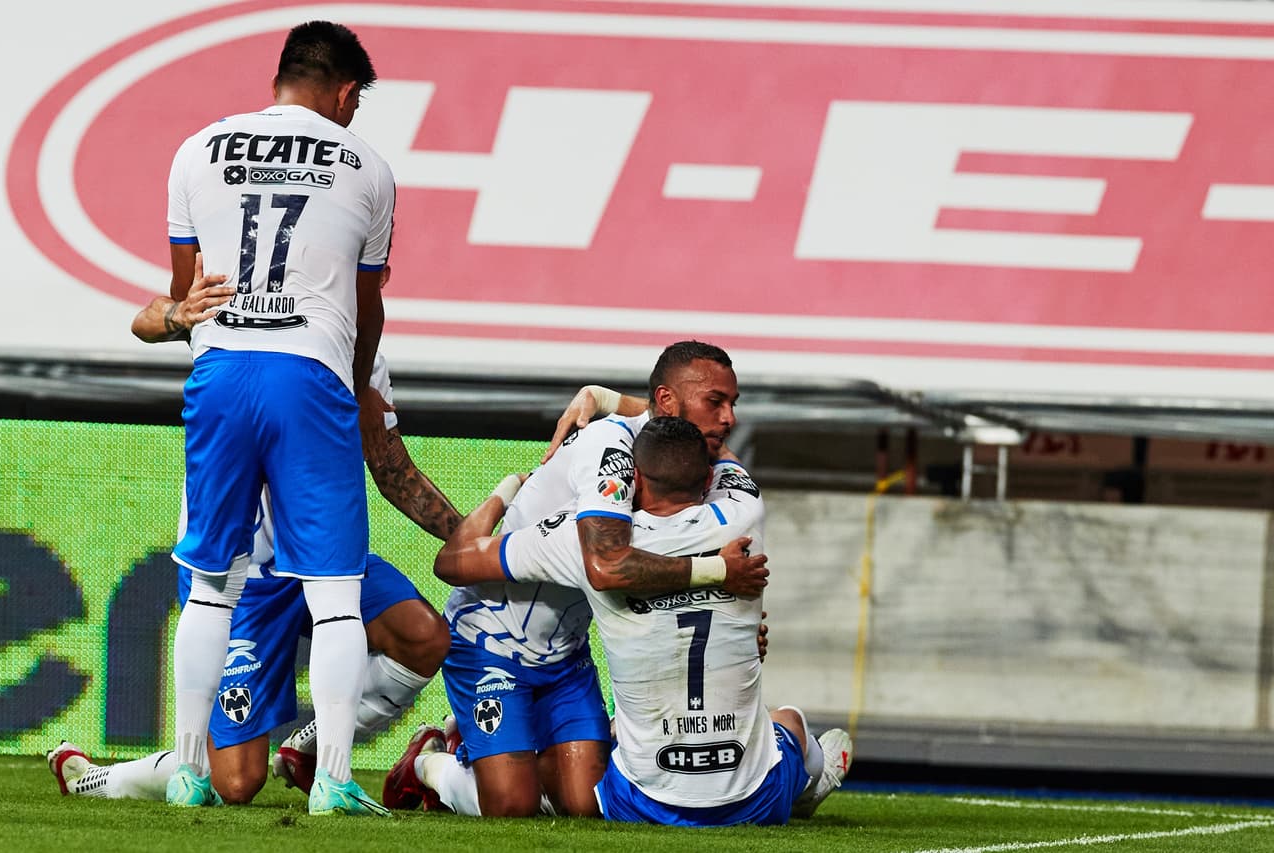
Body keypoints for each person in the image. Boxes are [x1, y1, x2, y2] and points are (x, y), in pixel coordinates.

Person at [51, 310, 461, 803]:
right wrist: (178, 312)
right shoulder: (240, 318)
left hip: (320, 559)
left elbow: (391, 464)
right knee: (235, 782)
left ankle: (311, 749)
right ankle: (93, 778)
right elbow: (146, 321)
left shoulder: (355, 348)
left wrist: (473, 544)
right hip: (242, 578)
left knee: (425, 637)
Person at [162, 20, 395, 814]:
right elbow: (368, 308)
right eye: (356, 101)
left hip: (220, 371)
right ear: (343, 91)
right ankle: (333, 777)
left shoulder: (196, 149)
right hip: (310, 374)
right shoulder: (368, 166)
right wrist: (355, 387)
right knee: (333, 592)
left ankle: (187, 771)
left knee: (207, 585)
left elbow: (187, 296)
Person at [382, 341, 766, 818]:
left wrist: (733, 627)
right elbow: (606, 565)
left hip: (564, 651)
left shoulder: (681, 459)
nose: (729, 418)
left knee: (585, 804)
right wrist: (720, 572)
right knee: (510, 806)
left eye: (733, 404)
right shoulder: (612, 450)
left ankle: (500, 751)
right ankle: (430, 763)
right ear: (667, 401)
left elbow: (650, 554)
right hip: (492, 638)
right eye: (716, 403)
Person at [426, 417, 852, 825]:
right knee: (789, 723)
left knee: (579, 797)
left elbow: (452, 563)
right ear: (707, 481)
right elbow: (724, 451)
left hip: (639, 801)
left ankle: (480, 753)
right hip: (757, 802)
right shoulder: (743, 519)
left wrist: (508, 492)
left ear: (635, 480)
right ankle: (811, 776)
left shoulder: (585, 542)